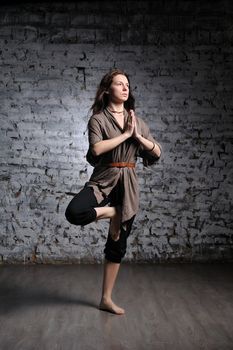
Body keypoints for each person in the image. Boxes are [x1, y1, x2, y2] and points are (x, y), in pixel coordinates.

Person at [65, 68, 162, 315]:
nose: (125, 87)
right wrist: (125, 135)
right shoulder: (98, 119)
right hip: (104, 177)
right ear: (108, 90)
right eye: (120, 84)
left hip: (128, 182)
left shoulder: (138, 122)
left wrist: (138, 137)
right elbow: (96, 150)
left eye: (127, 84)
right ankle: (112, 212)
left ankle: (105, 299)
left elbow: (157, 152)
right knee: (75, 212)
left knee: (117, 245)